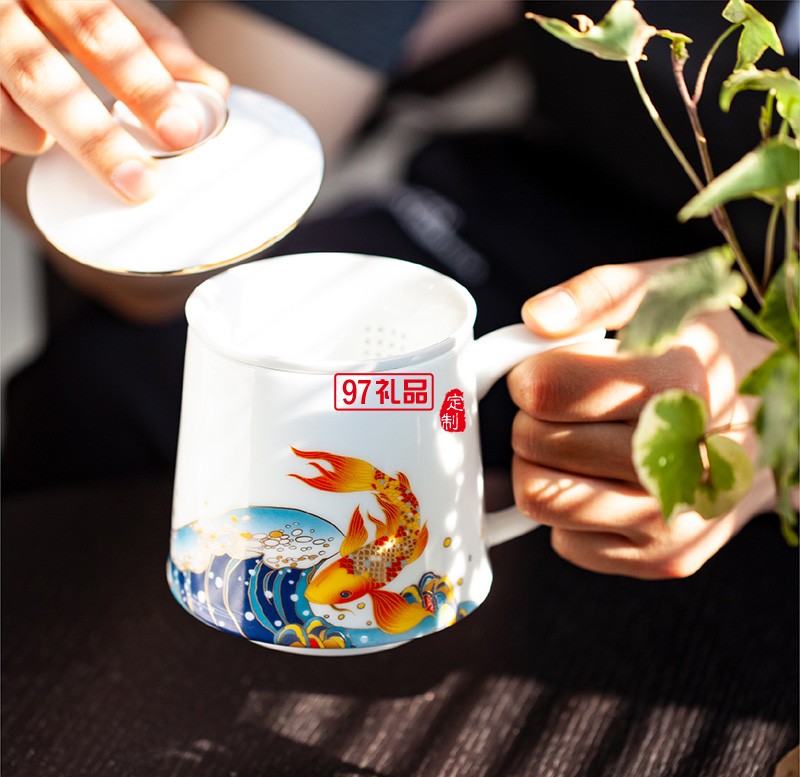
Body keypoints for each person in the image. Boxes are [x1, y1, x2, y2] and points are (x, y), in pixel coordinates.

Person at [0, 0, 791, 579]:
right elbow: (155, 235)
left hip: (771, 360)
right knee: (110, 391)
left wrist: (779, 420)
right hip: (565, 205)